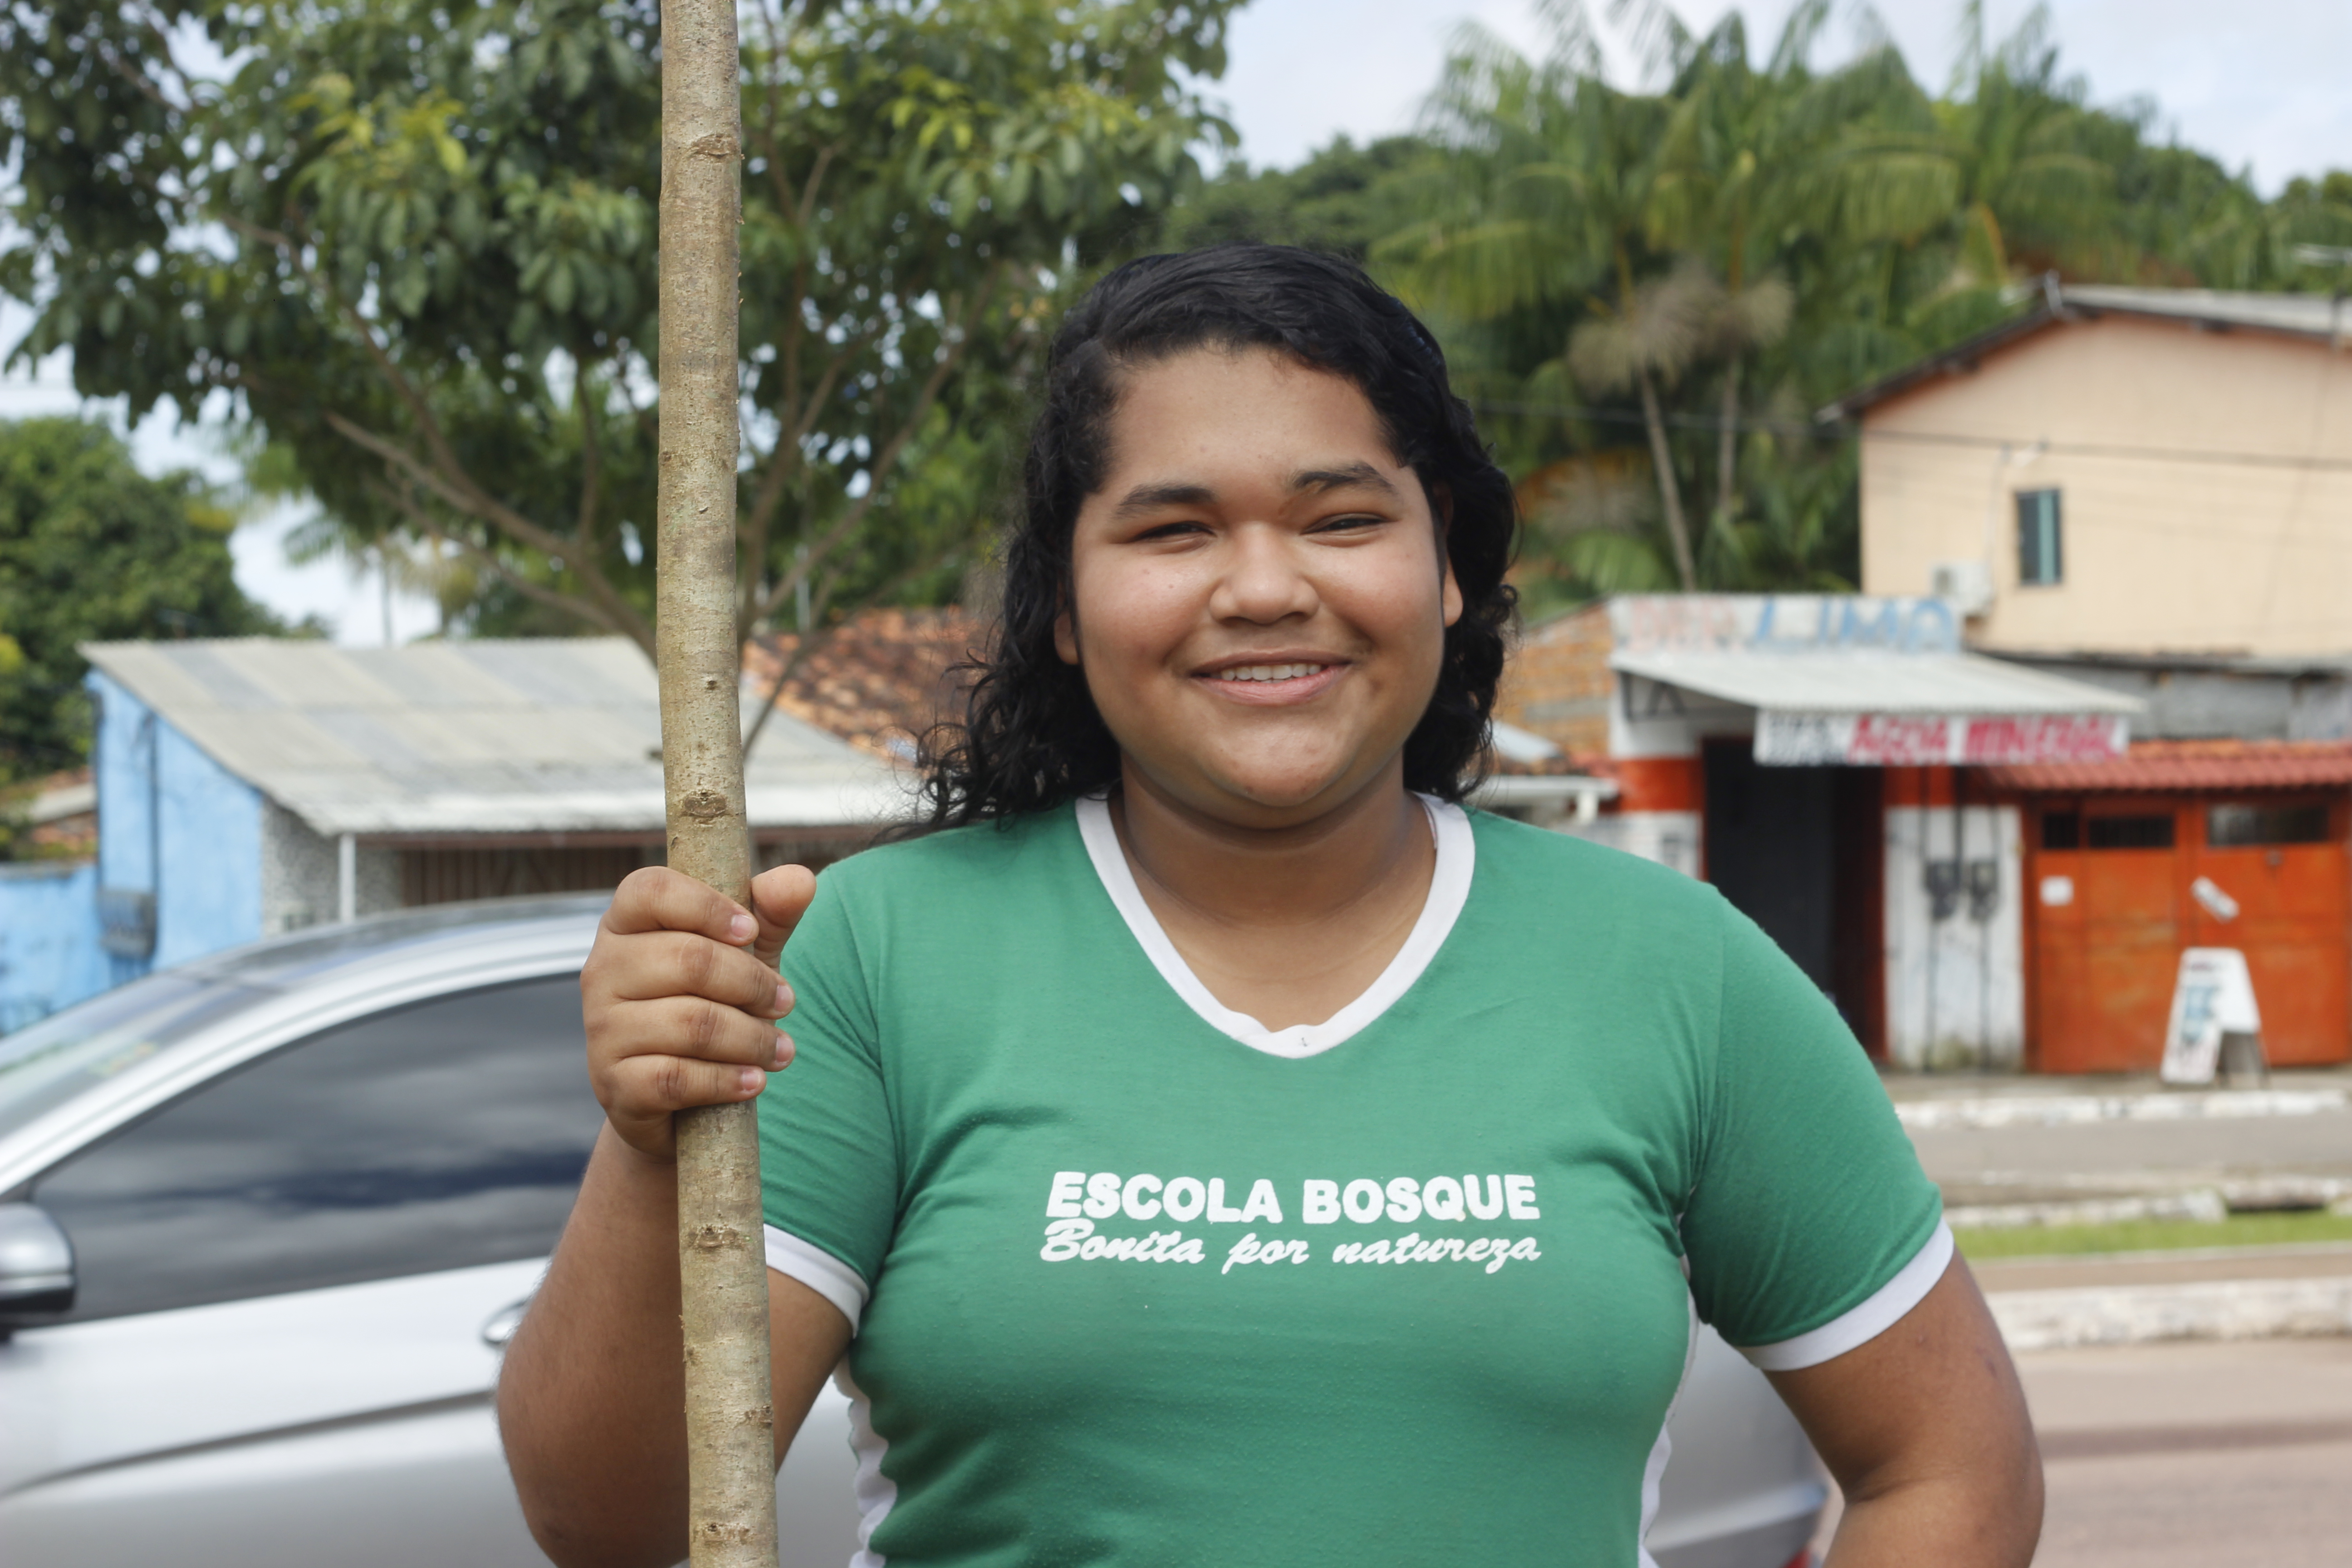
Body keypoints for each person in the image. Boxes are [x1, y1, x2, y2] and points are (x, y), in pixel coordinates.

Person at [498, 244, 2042, 1567]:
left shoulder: (1667, 967)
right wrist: (651, 1142)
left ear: (1448, 566)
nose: (1261, 586)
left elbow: (1952, 1467)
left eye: (1341, 517)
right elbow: (626, 1529)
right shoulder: (874, 956)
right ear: (1061, 605)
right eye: (1174, 531)